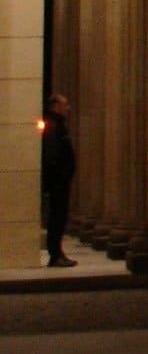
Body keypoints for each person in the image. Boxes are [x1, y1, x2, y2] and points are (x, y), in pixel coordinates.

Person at [41, 93, 76, 268]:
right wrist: (60, 176)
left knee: (59, 217)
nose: (68, 108)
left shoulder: (57, 125)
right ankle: (56, 255)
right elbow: (52, 155)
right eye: (65, 104)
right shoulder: (54, 126)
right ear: (55, 106)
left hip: (60, 181)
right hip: (58, 182)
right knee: (57, 218)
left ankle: (57, 253)